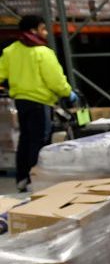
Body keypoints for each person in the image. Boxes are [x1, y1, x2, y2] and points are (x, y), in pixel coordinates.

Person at [0, 14, 76, 191]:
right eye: (43, 28)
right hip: (40, 102)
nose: (46, 33)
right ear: (33, 30)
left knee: (25, 140)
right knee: (39, 141)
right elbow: (55, 80)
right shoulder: (43, 52)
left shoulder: (10, 51)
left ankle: (22, 178)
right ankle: (36, 179)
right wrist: (67, 92)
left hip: (21, 102)